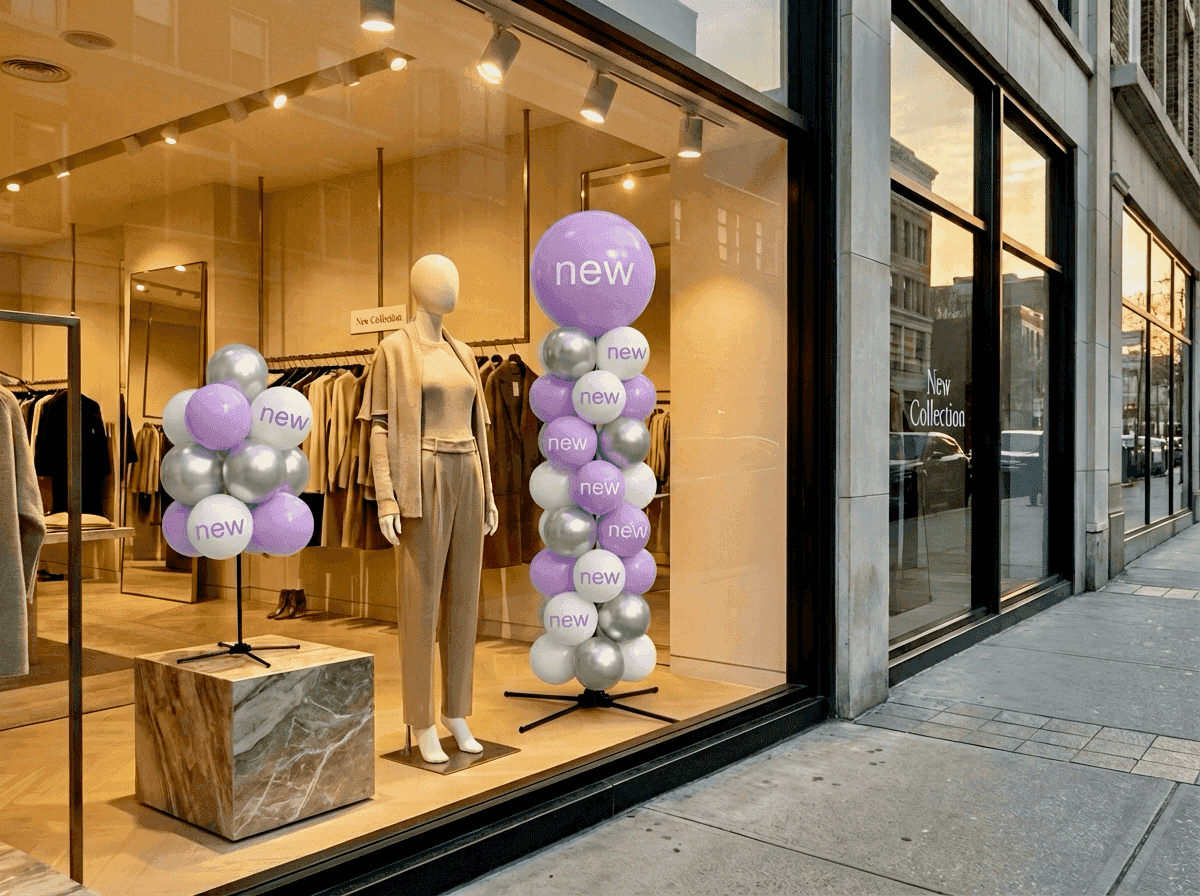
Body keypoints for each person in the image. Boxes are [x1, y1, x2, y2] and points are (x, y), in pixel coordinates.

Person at [364, 254, 498, 763]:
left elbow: (478, 428)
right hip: (422, 473)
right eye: (441, 278)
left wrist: (486, 494)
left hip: (466, 469)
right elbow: (378, 426)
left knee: (465, 600)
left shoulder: (463, 352)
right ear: (418, 288)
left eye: (456, 275)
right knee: (420, 605)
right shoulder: (392, 351)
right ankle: (420, 719)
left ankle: (456, 711)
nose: (451, 285)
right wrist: (387, 497)